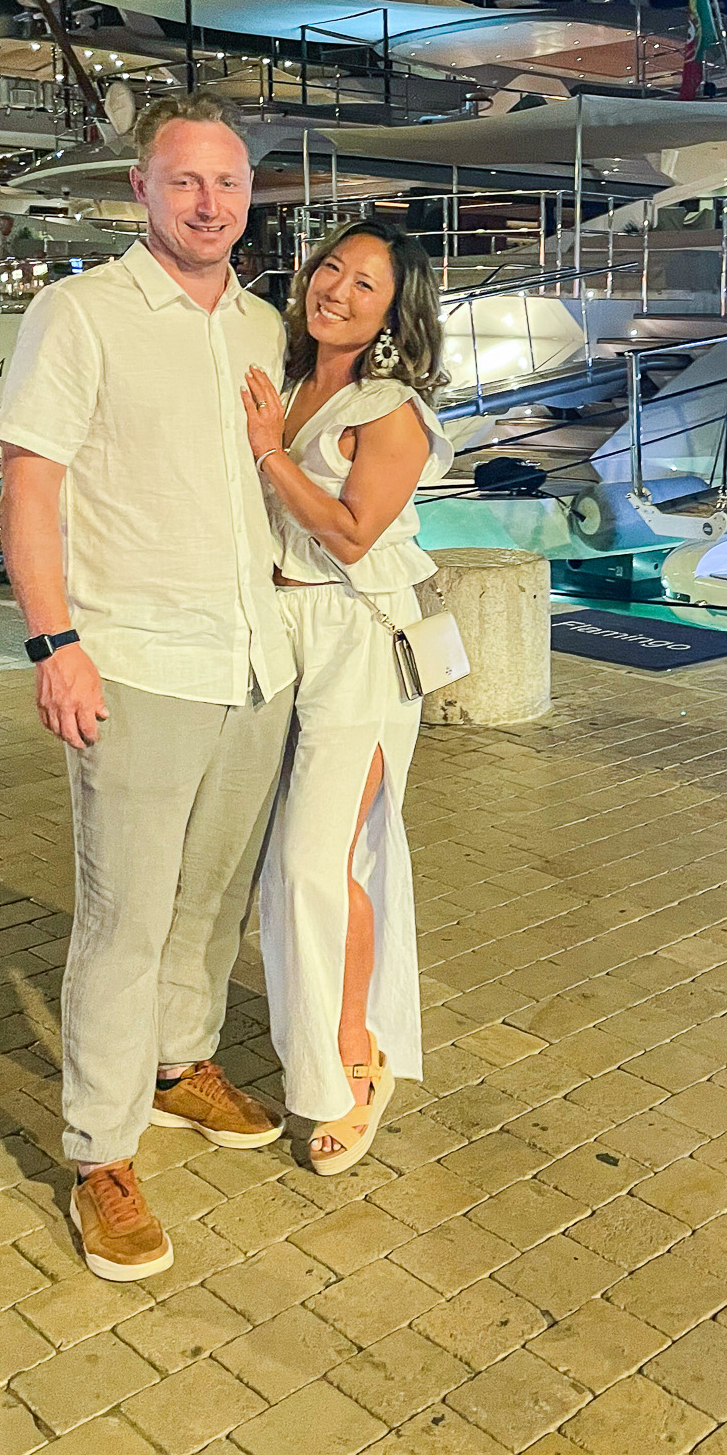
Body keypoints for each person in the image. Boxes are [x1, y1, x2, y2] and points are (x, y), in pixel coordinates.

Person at [0, 92, 295, 1283]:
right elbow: (30, 487)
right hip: (137, 659)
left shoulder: (263, 326)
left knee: (211, 898)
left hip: (251, 657)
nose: (210, 201)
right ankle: (99, 1147)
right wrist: (52, 639)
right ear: (141, 191)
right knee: (122, 917)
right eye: (185, 181)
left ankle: (179, 1064)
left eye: (227, 182)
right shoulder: (80, 314)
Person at [241, 218, 450, 1176]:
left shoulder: (388, 407)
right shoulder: (290, 379)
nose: (337, 288)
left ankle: (351, 1064)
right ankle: (334, 1041)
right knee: (302, 867)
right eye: (331, 266)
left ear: (391, 313)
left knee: (315, 867)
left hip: (357, 643)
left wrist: (269, 454)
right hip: (279, 638)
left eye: (365, 284)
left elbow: (357, 533)